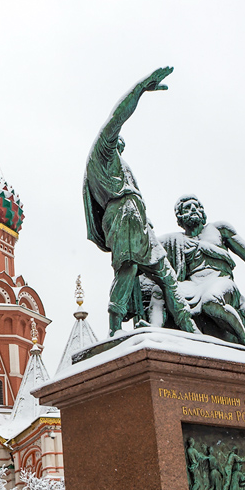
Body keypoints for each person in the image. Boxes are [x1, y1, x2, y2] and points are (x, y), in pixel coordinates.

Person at [84, 67, 199, 337]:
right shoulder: (102, 152)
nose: (119, 143)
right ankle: (115, 326)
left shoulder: (120, 163)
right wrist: (140, 89)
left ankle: (191, 330)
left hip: (138, 221)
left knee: (167, 275)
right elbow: (117, 117)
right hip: (122, 216)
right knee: (129, 267)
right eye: (116, 141)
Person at [154, 195, 245, 349]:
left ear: (203, 213)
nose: (193, 210)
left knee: (210, 300)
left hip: (220, 280)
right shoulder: (174, 240)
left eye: (196, 207)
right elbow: (147, 252)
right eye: (187, 208)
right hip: (192, 284)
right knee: (161, 290)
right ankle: (153, 331)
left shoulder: (219, 229)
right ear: (180, 217)